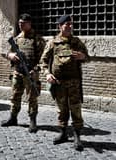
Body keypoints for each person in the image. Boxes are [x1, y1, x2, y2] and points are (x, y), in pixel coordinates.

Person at [40, 15, 90, 151]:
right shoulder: (53, 43)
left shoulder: (76, 41)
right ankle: (63, 133)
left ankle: (77, 136)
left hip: (74, 83)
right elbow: (43, 61)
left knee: (76, 109)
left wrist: (83, 56)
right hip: (58, 83)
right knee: (61, 110)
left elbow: (88, 57)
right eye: (66, 24)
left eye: (70, 24)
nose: (69, 26)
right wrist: (47, 74)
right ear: (60, 26)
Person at [0, 13, 46, 133]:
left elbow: (43, 59)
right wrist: (11, 56)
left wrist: (35, 69)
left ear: (29, 23)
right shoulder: (17, 39)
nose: (20, 25)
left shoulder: (37, 39)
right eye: (19, 23)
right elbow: (8, 53)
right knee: (15, 96)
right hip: (18, 72)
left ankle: (32, 121)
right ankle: (13, 117)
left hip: (31, 73)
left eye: (23, 23)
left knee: (32, 98)